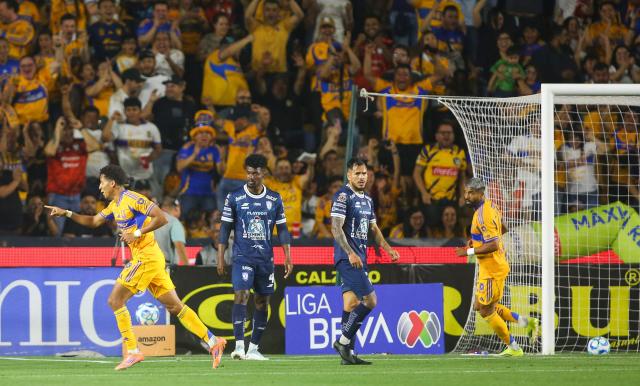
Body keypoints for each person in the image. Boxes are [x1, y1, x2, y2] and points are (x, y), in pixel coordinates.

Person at [45, 164, 226, 370]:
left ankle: (132, 351)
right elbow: (93, 221)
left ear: (112, 183)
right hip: (152, 258)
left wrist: (137, 234)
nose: (100, 187)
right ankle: (213, 340)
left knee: (115, 300)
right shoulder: (115, 205)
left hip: (146, 257)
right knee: (175, 306)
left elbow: (161, 217)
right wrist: (66, 213)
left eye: (102, 182)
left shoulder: (133, 199)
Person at [217, 154, 293, 361]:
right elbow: (225, 229)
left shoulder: (274, 199)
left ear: (264, 174)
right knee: (241, 295)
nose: (251, 177)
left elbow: (283, 229)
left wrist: (288, 256)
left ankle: (253, 349)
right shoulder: (234, 197)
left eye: (256, 173)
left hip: (265, 259)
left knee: (262, 301)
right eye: (249, 172)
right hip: (243, 257)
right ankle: (239, 346)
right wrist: (221, 256)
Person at [454, 178, 539, 356]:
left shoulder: (483, 214)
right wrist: (477, 240)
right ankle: (527, 322)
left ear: (480, 193)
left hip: (492, 268)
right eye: (466, 192)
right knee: (481, 305)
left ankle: (514, 348)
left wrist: (468, 251)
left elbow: (492, 244)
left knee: (486, 310)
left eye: (470, 193)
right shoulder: (488, 207)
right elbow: (502, 228)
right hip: (490, 266)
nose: (466, 196)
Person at [331, 157, 400, 365]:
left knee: (350, 304)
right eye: (357, 173)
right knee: (371, 301)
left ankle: (348, 356)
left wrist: (387, 249)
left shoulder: (367, 199)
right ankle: (342, 342)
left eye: (364, 173)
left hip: (360, 258)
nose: (362, 177)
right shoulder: (343, 196)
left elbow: (374, 229)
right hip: (348, 259)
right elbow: (336, 227)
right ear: (349, 175)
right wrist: (350, 253)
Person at [154, 196, 188, 265]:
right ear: (176, 209)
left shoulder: (148, 219)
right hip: (164, 267)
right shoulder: (174, 222)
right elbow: (179, 246)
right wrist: (188, 268)